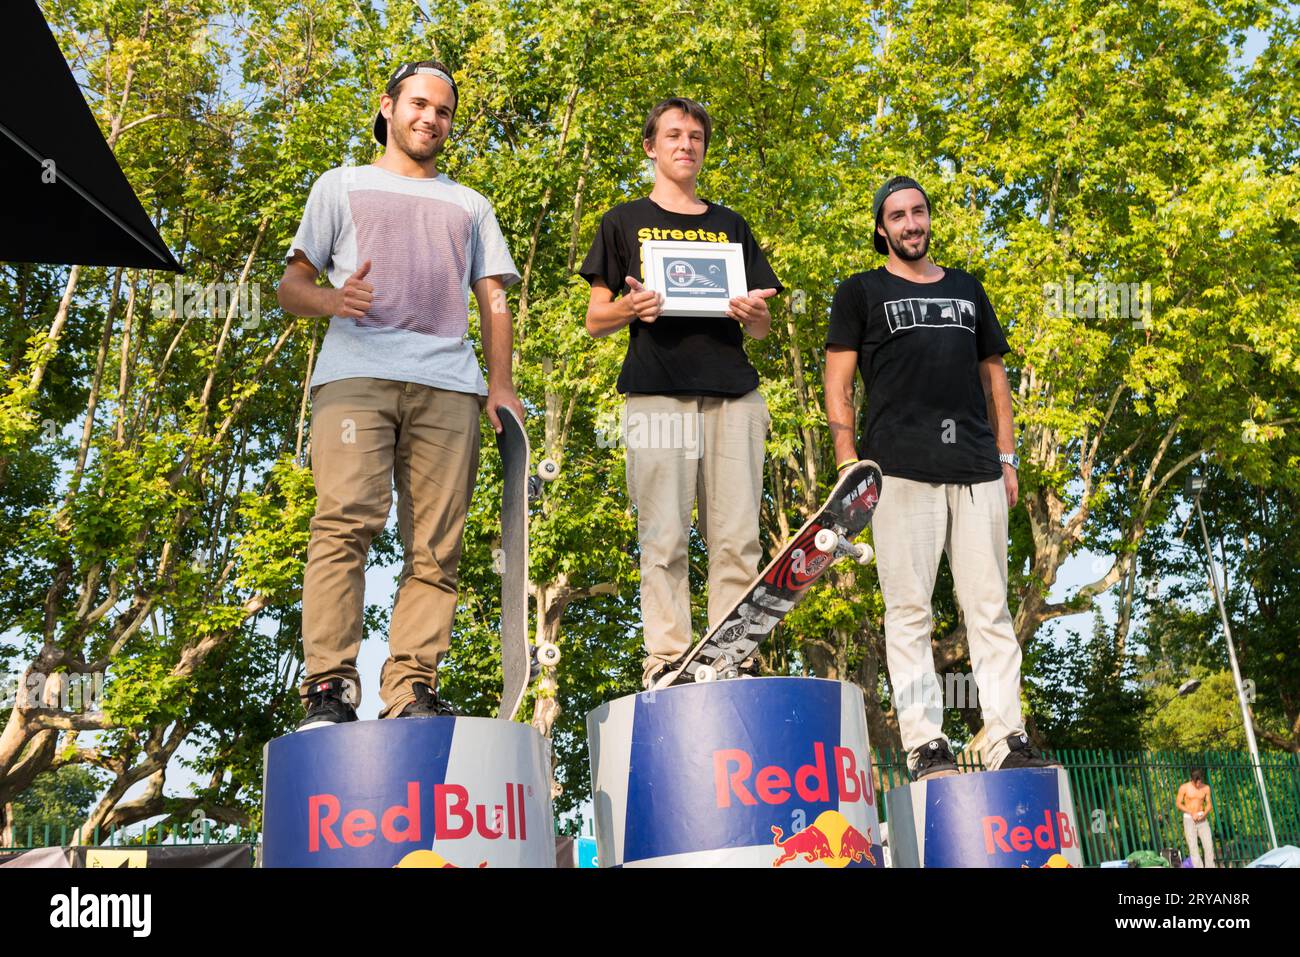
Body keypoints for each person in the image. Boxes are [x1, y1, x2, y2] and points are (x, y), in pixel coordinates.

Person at [278, 60, 523, 729]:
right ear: (387, 106)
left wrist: (500, 385)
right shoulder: (340, 186)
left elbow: (494, 299)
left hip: (449, 386)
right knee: (344, 523)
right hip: (355, 377)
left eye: (443, 112)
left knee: (437, 548)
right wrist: (332, 297)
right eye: (419, 104)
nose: (431, 120)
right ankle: (330, 687)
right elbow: (290, 285)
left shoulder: (470, 205)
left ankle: (411, 688)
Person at [824, 175, 1056, 780]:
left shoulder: (967, 289)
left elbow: (994, 377)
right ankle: (926, 744)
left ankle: (1007, 736)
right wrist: (848, 462)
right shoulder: (860, 292)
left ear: (929, 218)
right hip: (898, 471)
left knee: (990, 609)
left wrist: (1007, 457)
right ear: (882, 229)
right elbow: (838, 384)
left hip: (977, 468)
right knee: (909, 613)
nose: (910, 223)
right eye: (897, 215)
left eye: (918, 212)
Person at [579, 97, 782, 688]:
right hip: (655, 390)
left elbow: (764, 324)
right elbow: (595, 319)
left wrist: (752, 316)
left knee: (738, 535)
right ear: (651, 146)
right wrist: (629, 307)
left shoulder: (732, 225)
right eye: (673, 135)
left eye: (696, 136)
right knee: (663, 533)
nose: (686, 144)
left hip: (733, 393)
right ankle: (666, 657)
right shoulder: (620, 222)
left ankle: (729, 655)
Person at [1177, 768, 1216, 867]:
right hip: (1189, 819)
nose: (1198, 784)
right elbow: (1178, 803)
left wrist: (1205, 813)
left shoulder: (1206, 788)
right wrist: (1191, 813)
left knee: (1208, 846)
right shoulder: (1184, 787)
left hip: (1202, 819)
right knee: (1193, 848)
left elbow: (1209, 804)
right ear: (1192, 779)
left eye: (1200, 782)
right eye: (1196, 782)